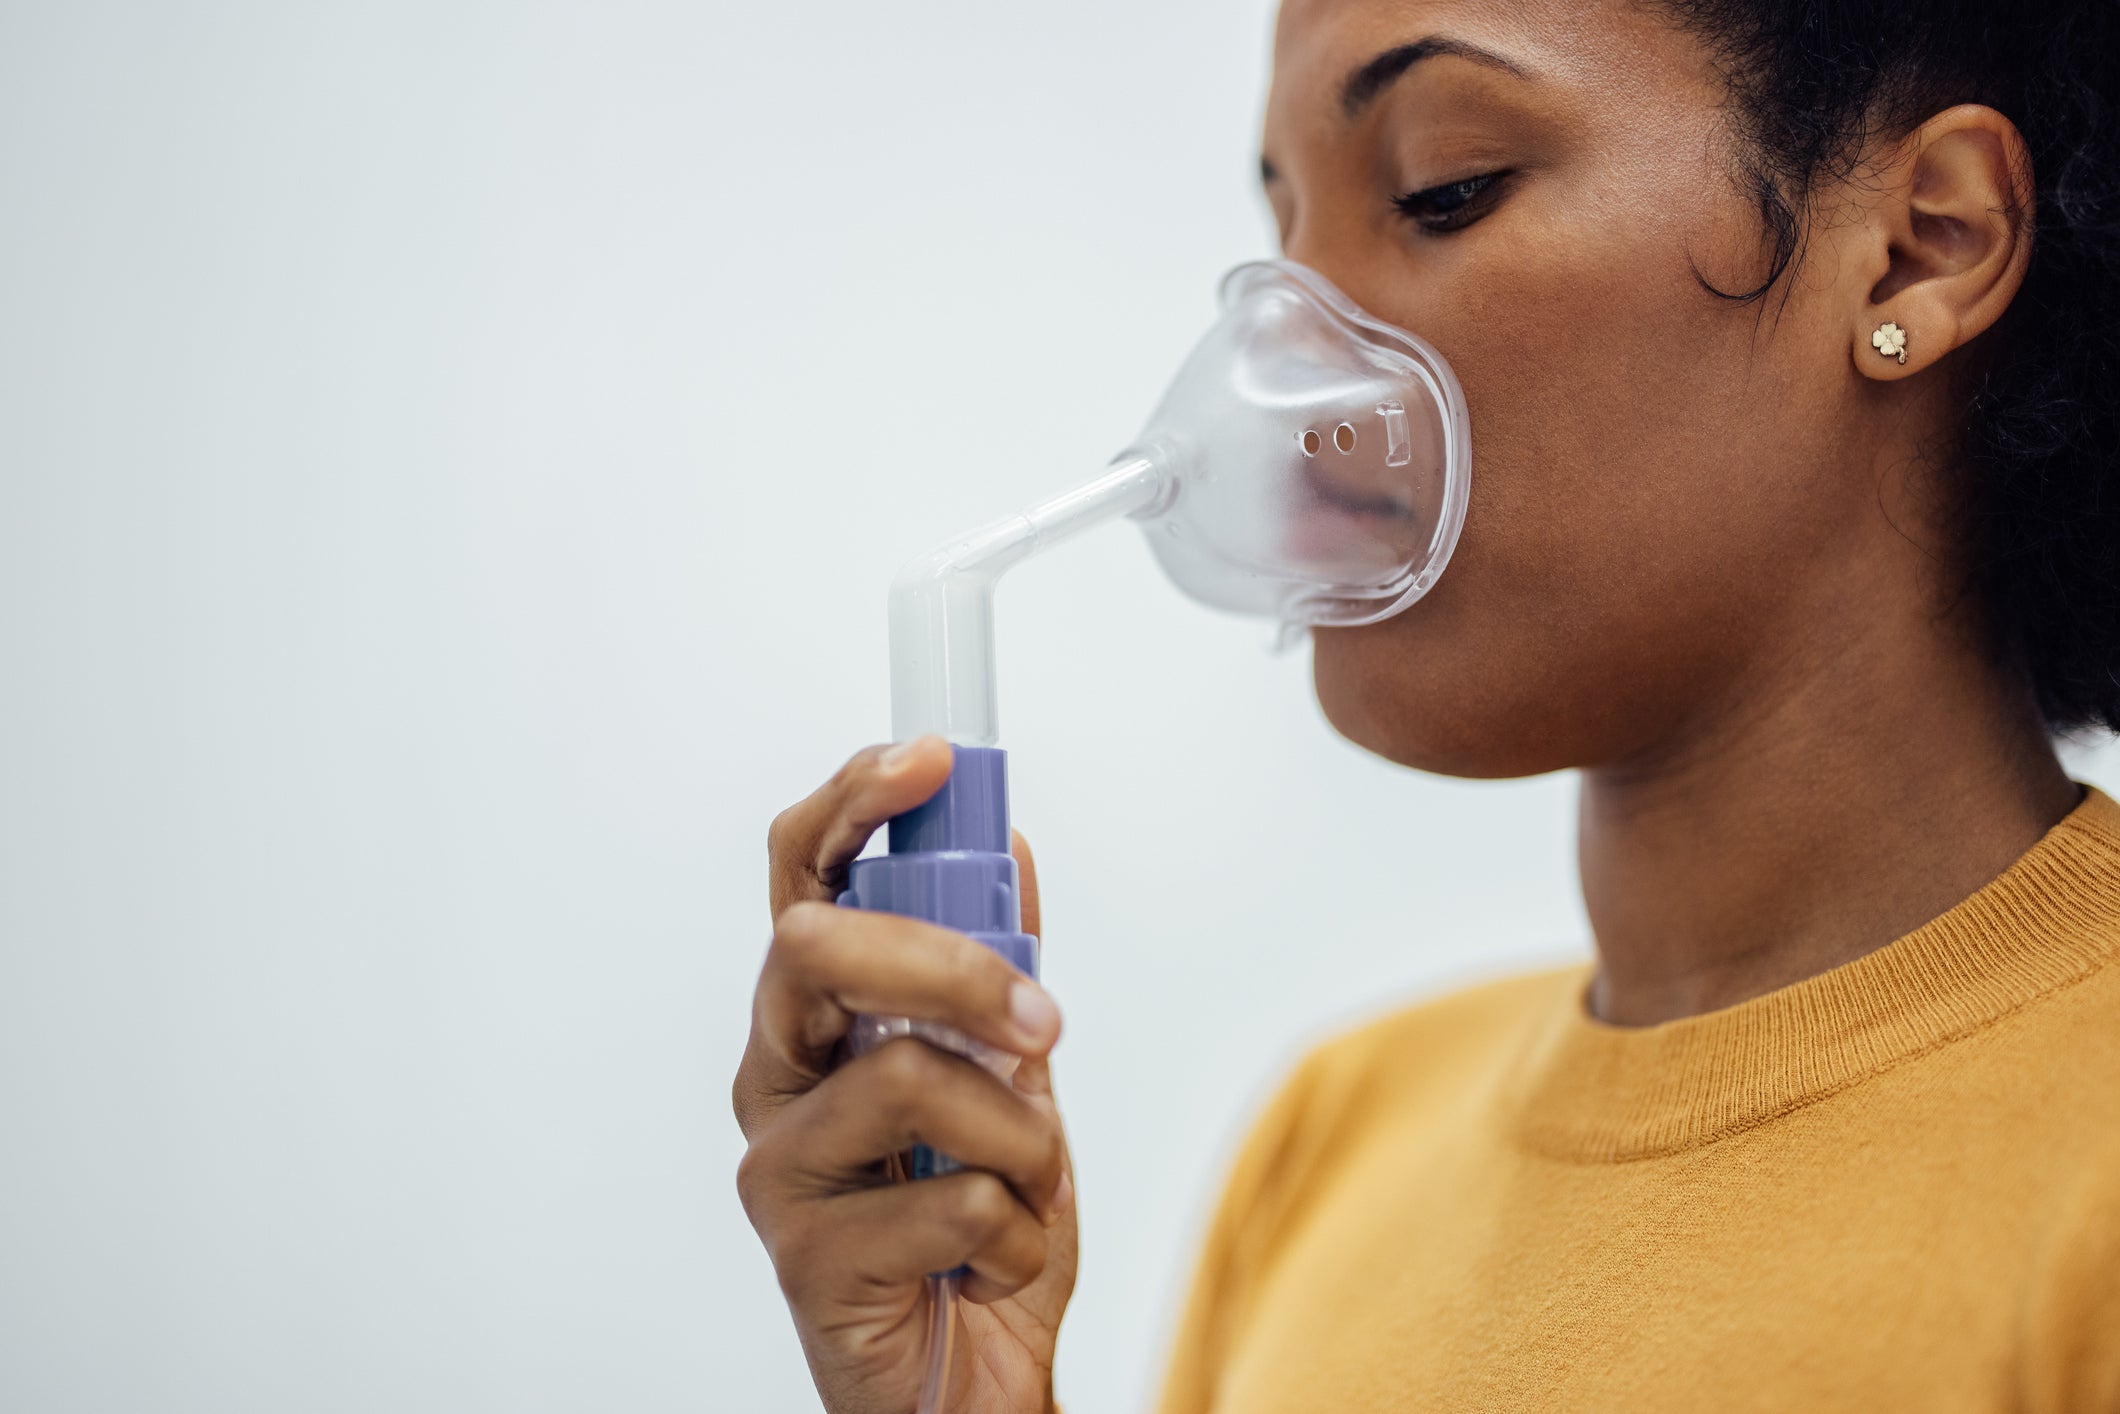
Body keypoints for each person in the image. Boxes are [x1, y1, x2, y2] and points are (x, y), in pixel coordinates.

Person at [732, 0, 2120, 1406]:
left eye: (1441, 192)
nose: (1280, 382)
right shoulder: (1333, 1143)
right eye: (1285, 241)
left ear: (1921, 243)